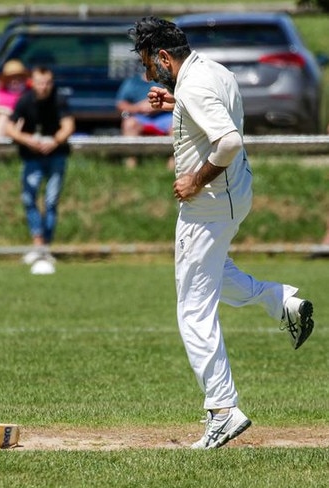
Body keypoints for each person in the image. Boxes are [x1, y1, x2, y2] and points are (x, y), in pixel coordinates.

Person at [129, 17, 315, 449]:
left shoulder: (194, 86)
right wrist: (175, 100)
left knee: (193, 309)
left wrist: (195, 178)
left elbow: (227, 141)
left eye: (148, 66)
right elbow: (212, 108)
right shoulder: (211, 72)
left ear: (162, 56)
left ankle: (223, 410)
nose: (146, 75)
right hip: (234, 197)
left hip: (209, 202)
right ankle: (280, 300)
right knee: (215, 277)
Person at [5, 66, 76, 271]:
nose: (43, 87)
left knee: (51, 201)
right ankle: (38, 243)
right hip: (31, 157)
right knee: (29, 198)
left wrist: (54, 141)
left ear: (51, 83)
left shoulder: (59, 99)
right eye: (39, 82)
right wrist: (26, 139)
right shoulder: (25, 100)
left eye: (47, 82)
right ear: (33, 83)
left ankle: (44, 247)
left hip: (56, 156)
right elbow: (10, 126)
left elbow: (68, 125)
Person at [116, 70, 174, 169]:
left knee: (176, 124)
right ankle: (131, 165)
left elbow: (176, 99)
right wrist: (139, 108)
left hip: (164, 117)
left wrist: (158, 106)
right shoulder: (132, 82)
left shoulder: (166, 81)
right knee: (129, 124)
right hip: (140, 118)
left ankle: (173, 166)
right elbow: (120, 104)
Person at [0, 59, 29, 139]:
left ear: (23, 78)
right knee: (2, 118)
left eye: (18, 78)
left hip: (23, 124)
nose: (15, 81)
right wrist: (3, 111)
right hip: (5, 125)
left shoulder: (29, 93)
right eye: (11, 78)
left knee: (22, 120)